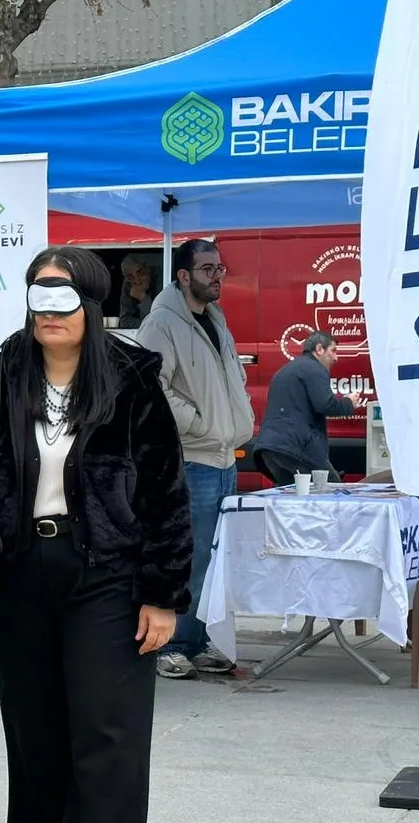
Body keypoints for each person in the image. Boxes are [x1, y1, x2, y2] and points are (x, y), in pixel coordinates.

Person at [0, 245, 192, 823]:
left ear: (91, 304)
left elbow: (166, 491)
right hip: (22, 569)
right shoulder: (1, 375)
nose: (49, 312)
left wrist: (163, 593)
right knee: (34, 728)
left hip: (107, 573)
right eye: (39, 296)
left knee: (107, 727)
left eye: (63, 297)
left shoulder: (132, 378)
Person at [133, 237, 254, 680]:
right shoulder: (161, 324)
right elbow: (150, 387)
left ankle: (197, 640)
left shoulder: (216, 320)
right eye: (207, 269)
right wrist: (199, 423)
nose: (217, 276)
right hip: (191, 460)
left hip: (224, 459)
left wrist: (238, 416)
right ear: (183, 276)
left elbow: (232, 378)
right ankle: (171, 645)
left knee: (212, 558)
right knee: (186, 556)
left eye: (219, 269)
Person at [251, 331, 365, 485]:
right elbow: (326, 405)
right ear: (319, 349)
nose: (336, 358)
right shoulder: (315, 369)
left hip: (269, 449)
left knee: (293, 495)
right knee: (329, 487)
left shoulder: (283, 371)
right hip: (294, 447)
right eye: (333, 351)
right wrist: (348, 403)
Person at [116, 254, 155, 328]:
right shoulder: (128, 284)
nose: (137, 280)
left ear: (148, 269)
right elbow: (125, 322)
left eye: (140, 272)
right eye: (130, 276)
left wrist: (143, 298)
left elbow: (157, 321)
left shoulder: (163, 279)